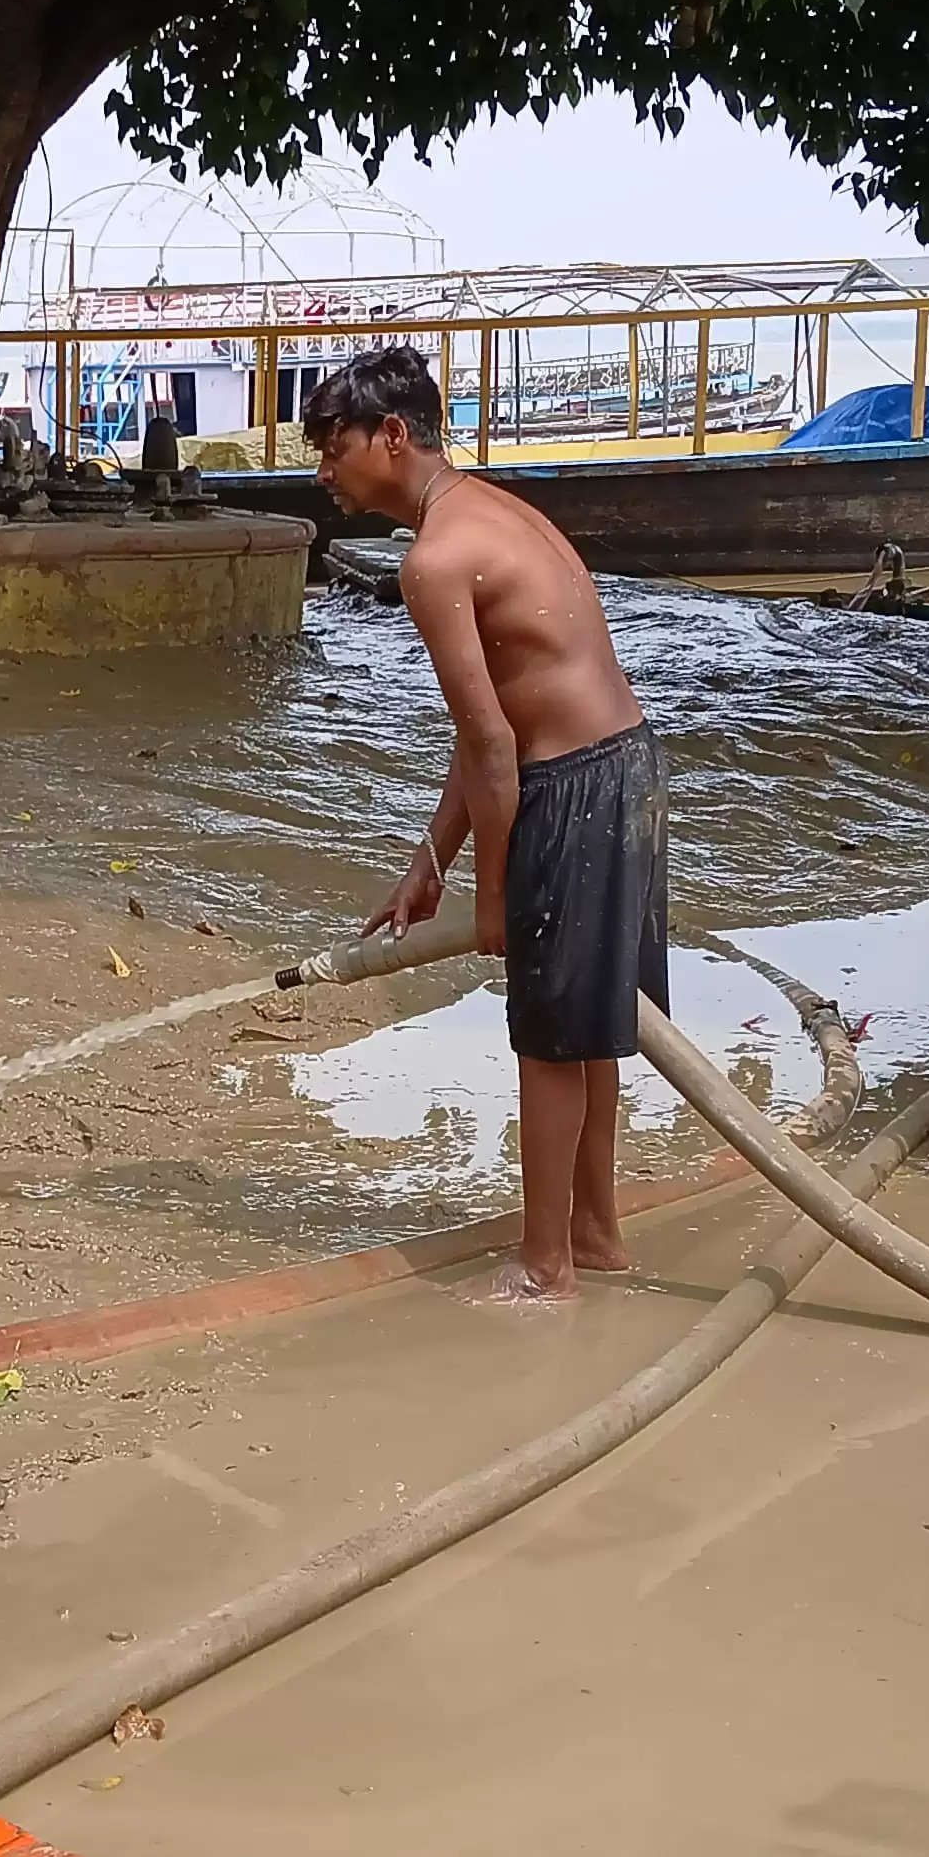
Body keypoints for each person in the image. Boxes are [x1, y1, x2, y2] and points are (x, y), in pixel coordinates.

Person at [311, 346, 662, 1300]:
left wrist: (494, 891)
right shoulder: (492, 511)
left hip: (568, 790)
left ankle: (545, 1270)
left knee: (550, 1037)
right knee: (590, 1028)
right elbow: (488, 733)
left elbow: (498, 751)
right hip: (625, 768)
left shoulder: (434, 560)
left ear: (392, 436)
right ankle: (593, 1233)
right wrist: (435, 858)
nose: (320, 468)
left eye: (331, 444)